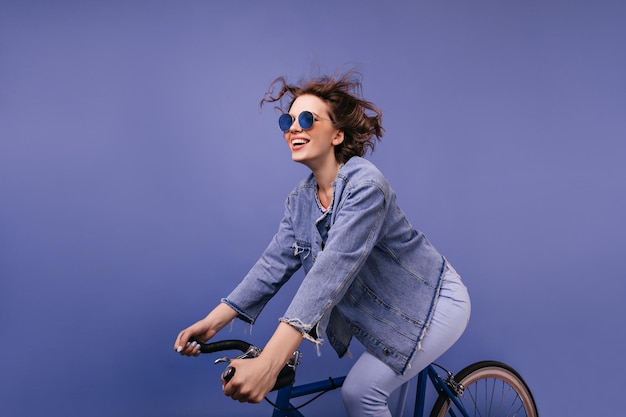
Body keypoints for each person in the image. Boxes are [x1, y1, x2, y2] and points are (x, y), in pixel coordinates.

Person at [174, 70, 471, 417]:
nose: (293, 127)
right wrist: (211, 324)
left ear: (337, 134)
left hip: (436, 305)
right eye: (288, 119)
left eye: (307, 119)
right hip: (385, 318)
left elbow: (330, 272)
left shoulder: (366, 186)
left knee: (361, 394)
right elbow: (269, 269)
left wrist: (270, 363)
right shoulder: (300, 202)